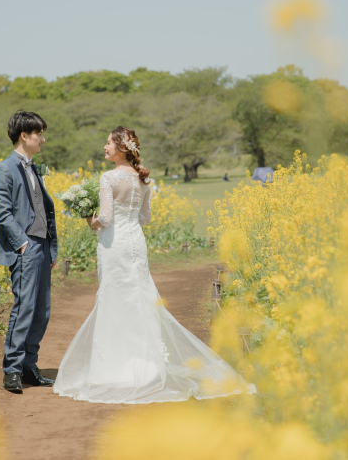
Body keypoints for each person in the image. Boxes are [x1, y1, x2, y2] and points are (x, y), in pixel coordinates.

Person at [53, 126, 256, 403]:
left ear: (122, 148)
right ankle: (146, 368)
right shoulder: (144, 179)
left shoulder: (108, 178)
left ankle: (112, 370)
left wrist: (90, 219)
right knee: (139, 297)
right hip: (136, 242)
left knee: (114, 297)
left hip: (114, 244)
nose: (104, 147)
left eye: (108, 143)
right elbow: (145, 219)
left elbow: (107, 219)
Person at [0, 111, 58, 393]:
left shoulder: (32, 166)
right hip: (25, 247)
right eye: (39, 133)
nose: (43, 139)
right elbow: (3, 213)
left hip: (42, 246)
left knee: (42, 310)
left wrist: (50, 246)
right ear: (24, 136)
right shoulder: (4, 168)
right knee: (25, 307)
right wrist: (23, 243)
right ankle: (13, 370)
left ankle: (30, 366)